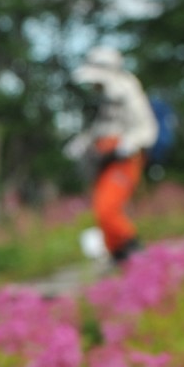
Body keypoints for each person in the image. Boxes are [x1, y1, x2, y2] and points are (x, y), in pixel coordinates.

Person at [66, 46, 158, 266]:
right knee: (100, 210)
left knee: (108, 208)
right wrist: (83, 143)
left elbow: (146, 128)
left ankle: (134, 250)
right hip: (103, 160)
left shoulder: (127, 90)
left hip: (124, 160)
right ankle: (119, 256)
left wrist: (125, 146)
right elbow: (101, 127)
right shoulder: (101, 97)